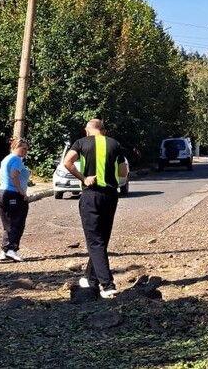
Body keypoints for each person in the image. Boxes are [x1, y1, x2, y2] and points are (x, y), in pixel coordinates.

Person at [62, 118, 127, 299]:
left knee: (95, 242)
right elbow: (123, 173)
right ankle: (90, 279)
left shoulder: (81, 143)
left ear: (87, 130)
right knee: (102, 240)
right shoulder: (114, 144)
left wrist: (84, 178)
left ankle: (107, 285)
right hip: (111, 195)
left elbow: (67, 162)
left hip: (91, 195)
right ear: (103, 131)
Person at [0, 136, 30, 262]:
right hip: (14, 194)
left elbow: (0, 176)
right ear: (15, 147)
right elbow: (14, 175)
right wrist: (21, 191)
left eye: (27, 149)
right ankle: (12, 249)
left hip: (1, 193)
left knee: (8, 223)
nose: (25, 152)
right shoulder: (16, 159)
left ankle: (4, 250)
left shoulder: (6, 159)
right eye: (23, 148)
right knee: (17, 222)